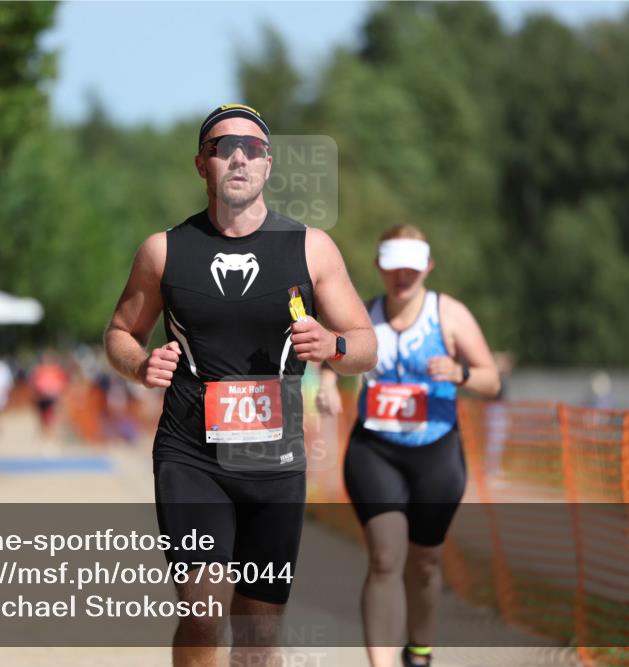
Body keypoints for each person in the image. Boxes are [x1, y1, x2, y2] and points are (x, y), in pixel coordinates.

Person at [104, 103, 377, 667]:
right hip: (191, 455)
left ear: (268, 165)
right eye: (223, 146)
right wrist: (138, 364)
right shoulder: (164, 252)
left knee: (258, 631)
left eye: (251, 148)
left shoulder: (310, 248)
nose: (238, 157)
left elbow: (365, 342)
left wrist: (336, 346)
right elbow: (120, 332)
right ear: (201, 163)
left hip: (274, 462)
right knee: (204, 613)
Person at [316, 224, 501, 667]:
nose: (403, 276)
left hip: (435, 450)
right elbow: (332, 353)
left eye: (412, 268)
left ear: (428, 268)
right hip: (375, 450)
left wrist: (460, 375)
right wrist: (325, 384)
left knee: (425, 563)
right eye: (395, 267)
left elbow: (492, 380)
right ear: (381, 266)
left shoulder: (449, 315)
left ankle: (418, 651)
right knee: (384, 558)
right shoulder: (363, 313)